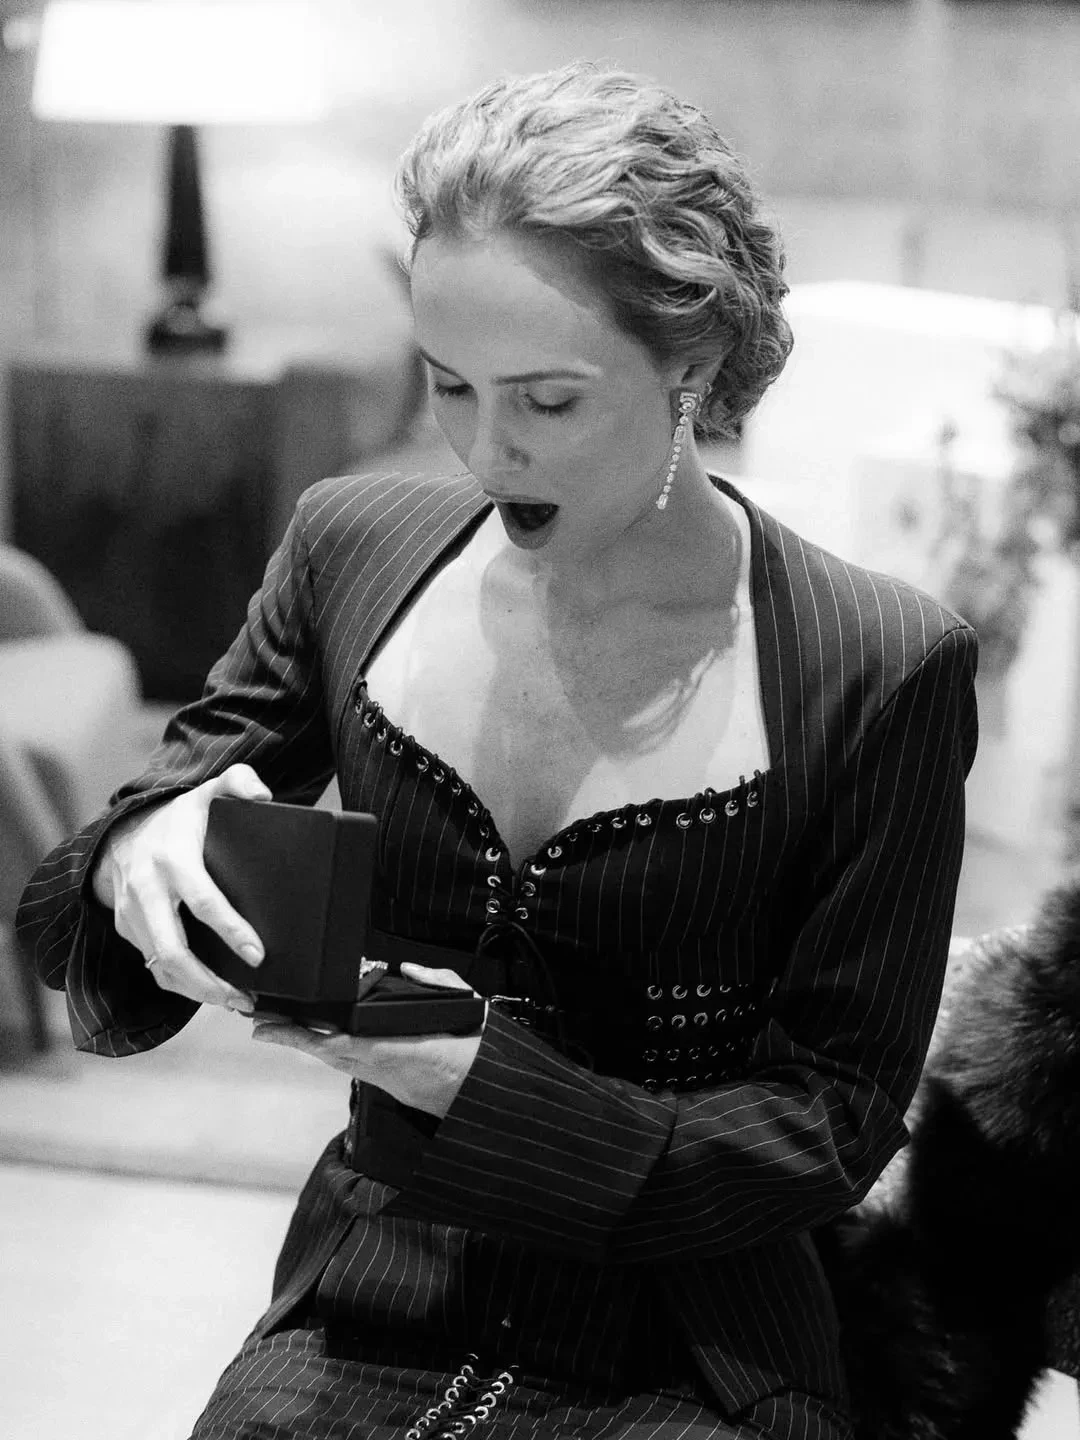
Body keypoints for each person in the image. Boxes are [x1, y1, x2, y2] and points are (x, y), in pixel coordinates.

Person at [16, 61, 979, 1440]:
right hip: (380, 1272)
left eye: (548, 401)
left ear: (695, 365)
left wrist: (464, 1070)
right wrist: (137, 850)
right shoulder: (352, 551)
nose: (483, 451)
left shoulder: (878, 663)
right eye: (449, 385)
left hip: (694, 1331)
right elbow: (91, 891)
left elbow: (831, 1124)